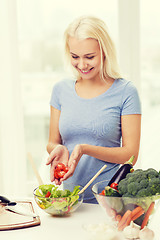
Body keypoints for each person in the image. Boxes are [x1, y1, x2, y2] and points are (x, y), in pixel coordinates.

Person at [46, 15, 141, 203]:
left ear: (104, 52)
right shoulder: (60, 90)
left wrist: (84, 149)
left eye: (89, 57)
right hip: (70, 200)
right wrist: (59, 149)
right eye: (75, 57)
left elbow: (130, 155)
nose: (81, 65)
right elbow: (52, 142)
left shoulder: (126, 92)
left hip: (110, 200)